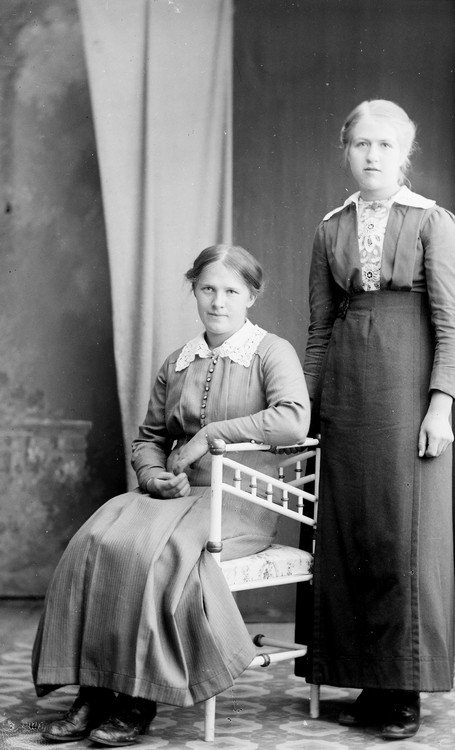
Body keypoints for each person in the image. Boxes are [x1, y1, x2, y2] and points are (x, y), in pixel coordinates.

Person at [32, 244, 310, 746]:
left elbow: (293, 419)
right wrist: (154, 474)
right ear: (194, 292)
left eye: (231, 291)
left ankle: (137, 698)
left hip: (242, 501)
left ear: (252, 296)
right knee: (95, 541)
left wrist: (209, 435)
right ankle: (95, 690)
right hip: (175, 499)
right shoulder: (178, 361)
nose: (218, 302)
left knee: (154, 556)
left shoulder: (272, 352)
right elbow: (149, 438)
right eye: (207, 289)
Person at [296, 99, 455, 741]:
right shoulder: (329, 229)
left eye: (385, 145)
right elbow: (317, 330)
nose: (372, 155)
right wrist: (305, 413)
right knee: (350, 535)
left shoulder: (432, 221)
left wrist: (442, 402)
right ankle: (366, 679)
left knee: (401, 536)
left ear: (405, 153)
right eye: (361, 143)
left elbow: (451, 323)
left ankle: (403, 687)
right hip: (344, 394)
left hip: (407, 391)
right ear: (346, 151)